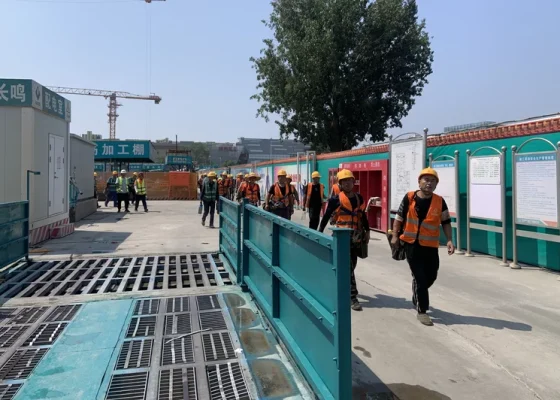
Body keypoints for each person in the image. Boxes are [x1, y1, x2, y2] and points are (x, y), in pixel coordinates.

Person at [390, 167, 455, 326]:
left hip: (430, 245)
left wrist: (449, 240)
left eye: (433, 181)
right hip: (411, 244)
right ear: (419, 182)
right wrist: (395, 235)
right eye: (426, 180)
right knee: (420, 277)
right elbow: (399, 217)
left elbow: (446, 222)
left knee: (431, 275)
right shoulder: (409, 198)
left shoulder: (439, 201)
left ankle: (418, 292)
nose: (429, 183)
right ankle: (422, 311)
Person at [319, 169, 370, 311]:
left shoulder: (359, 198)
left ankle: (339, 286)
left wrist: (368, 231)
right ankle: (353, 297)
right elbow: (326, 215)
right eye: (344, 181)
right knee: (347, 267)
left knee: (351, 265)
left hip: (356, 237)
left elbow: (363, 216)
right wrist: (318, 232)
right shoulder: (336, 199)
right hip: (341, 238)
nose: (348, 184)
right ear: (340, 184)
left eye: (350, 181)